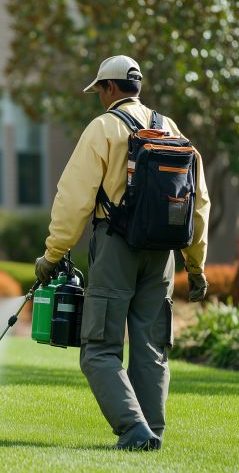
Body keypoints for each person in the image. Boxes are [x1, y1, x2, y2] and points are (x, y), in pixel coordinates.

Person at [34, 55, 210, 451]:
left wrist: (52, 254)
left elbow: (73, 199)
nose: (99, 96)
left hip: (117, 245)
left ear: (110, 88)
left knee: (98, 349)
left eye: (99, 89)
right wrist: (195, 266)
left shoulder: (103, 128)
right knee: (151, 348)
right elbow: (198, 202)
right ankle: (152, 431)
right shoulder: (171, 129)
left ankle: (134, 430)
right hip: (162, 254)